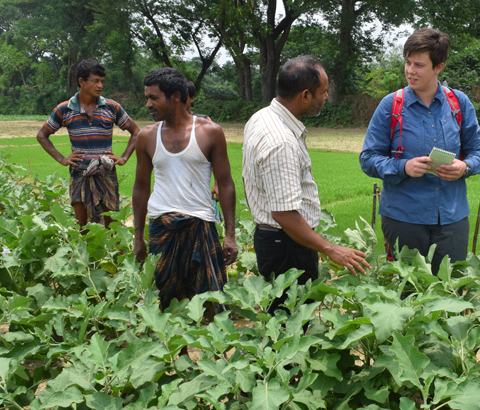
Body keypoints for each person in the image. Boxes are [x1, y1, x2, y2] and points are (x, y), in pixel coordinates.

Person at [242, 55, 370, 312]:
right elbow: (284, 214)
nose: (325, 97)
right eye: (322, 92)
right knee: (292, 322)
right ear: (305, 95)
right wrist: (331, 248)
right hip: (287, 247)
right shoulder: (281, 142)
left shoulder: (261, 117)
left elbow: (249, 181)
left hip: (276, 241)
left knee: (281, 317)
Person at [360, 28, 480, 275]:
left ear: (438, 67)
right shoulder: (391, 106)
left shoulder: (459, 103)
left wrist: (466, 167)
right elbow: (367, 159)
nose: (410, 71)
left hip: (452, 219)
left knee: (450, 291)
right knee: (408, 290)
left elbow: (478, 150)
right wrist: (403, 167)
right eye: (407, 62)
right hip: (403, 218)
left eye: (419, 65)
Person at [132, 67, 238, 310]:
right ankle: (176, 350)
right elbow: (140, 188)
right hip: (162, 227)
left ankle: (213, 348)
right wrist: (138, 236)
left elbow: (226, 183)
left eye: (154, 98)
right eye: (147, 98)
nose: (148, 104)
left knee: (210, 302)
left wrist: (230, 236)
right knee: (166, 302)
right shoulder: (147, 136)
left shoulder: (210, 132)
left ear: (176, 97)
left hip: (200, 224)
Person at [36, 59, 140, 228]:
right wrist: (62, 159)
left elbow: (136, 132)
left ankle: (114, 255)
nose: (100, 85)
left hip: (106, 175)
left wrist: (124, 158)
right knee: (82, 225)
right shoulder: (65, 109)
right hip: (79, 174)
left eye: (102, 82)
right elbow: (42, 135)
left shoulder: (111, 107)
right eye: (95, 81)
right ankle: (88, 255)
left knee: (112, 224)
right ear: (81, 82)